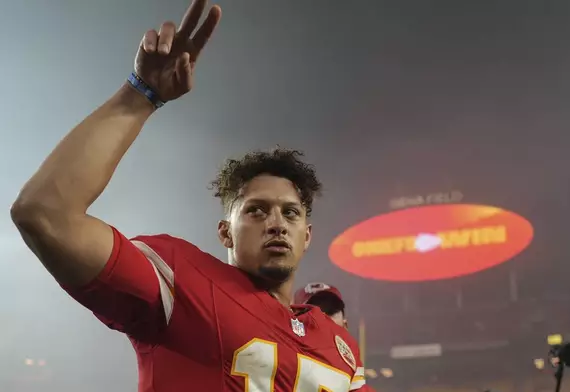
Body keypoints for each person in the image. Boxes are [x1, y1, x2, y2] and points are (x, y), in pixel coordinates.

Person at [10, 1, 368, 391]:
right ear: (225, 232)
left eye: (290, 213)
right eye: (256, 211)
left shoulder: (341, 346)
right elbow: (45, 213)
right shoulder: (183, 283)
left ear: (308, 235)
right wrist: (140, 96)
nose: (277, 223)